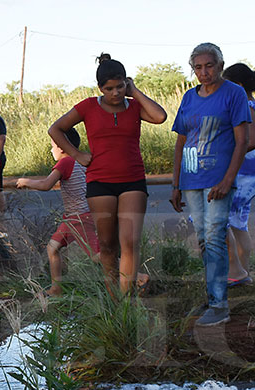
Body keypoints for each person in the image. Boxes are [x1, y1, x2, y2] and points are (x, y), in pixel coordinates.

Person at [49, 54, 167, 295]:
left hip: (132, 180)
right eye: (109, 88)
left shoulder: (134, 106)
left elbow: (160, 116)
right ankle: (112, 299)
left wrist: (136, 92)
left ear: (127, 83)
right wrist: (77, 154)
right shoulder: (88, 106)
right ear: (100, 88)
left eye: (120, 86)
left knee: (130, 242)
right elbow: (56, 129)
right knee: (107, 245)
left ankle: (126, 303)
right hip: (99, 182)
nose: (116, 93)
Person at [170, 43, 251, 327]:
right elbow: (180, 141)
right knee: (204, 238)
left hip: (219, 179)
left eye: (209, 66)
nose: (204, 72)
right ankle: (214, 295)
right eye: (198, 67)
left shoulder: (234, 93)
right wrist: (175, 183)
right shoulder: (189, 97)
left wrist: (228, 180)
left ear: (220, 65)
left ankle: (219, 305)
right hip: (192, 180)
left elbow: (242, 141)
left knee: (216, 235)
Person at [17, 128, 99, 296]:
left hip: (79, 218)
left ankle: (137, 276)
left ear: (62, 146)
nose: (51, 149)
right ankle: (56, 288)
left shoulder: (65, 162)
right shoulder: (82, 159)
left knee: (97, 256)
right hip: (73, 217)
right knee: (53, 247)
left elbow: (46, 184)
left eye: (53, 145)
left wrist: (26, 182)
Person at [221, 63, 255, 288]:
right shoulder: (249, 104)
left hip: (243, 173)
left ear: (237, 86)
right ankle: (242, 273)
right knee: (238, 224)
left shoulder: (245, 105)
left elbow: (252, 139)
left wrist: (226, 151)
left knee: (218, 218)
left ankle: (235, 270)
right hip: (250, 172)